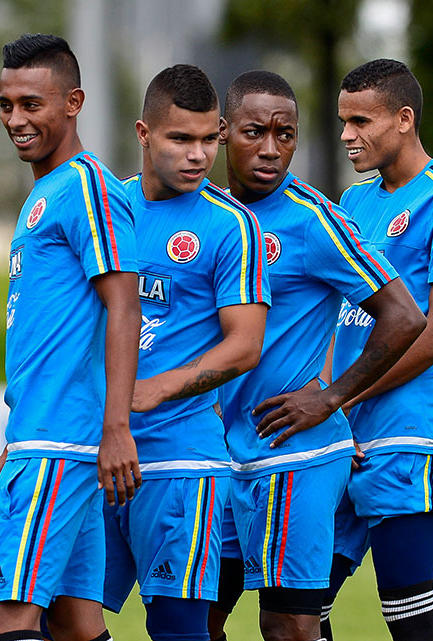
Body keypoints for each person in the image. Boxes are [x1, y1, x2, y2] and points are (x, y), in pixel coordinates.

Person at [208, 70, 426, 641]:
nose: (272, 149)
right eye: (256, 133)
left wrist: (331, 396)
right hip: (217, 457)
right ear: (224, 132)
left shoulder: (312, 219)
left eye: (287, 134)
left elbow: (406, 317)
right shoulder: (202, 213)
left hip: (293, 457)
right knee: (191, 621)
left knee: (289, 628)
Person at [0, 34, 141, 641]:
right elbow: (62, 334)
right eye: (6, 104)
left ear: (73, 102)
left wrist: (116, 428)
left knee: (9, 616)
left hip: (60, 443)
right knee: (77, 622)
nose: (16, 120)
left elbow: (123, 308)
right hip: (46, 440)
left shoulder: (86, 185)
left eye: (32, 104)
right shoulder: (45, 192)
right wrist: (17, 446)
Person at [102, 64, 270, 641]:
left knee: (175, 628)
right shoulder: (104, 208)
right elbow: (69, 337)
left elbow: (246, 345)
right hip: (94, 450)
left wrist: (155, 389)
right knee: (59, 618)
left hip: (180, 459)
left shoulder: (230, 225)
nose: (198, 155)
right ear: (144, 134)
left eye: (208, 139)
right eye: (180, 139)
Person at [324, 59, 433, 641]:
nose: (347, 135)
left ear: (404, 119)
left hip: (405, 432)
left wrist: (342, 397)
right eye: (343, 121)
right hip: (339, 434)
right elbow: (334, 315)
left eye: (361, 121)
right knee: (297, 609)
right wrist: (331, 404)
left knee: (407, 611)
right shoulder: (350, 200)